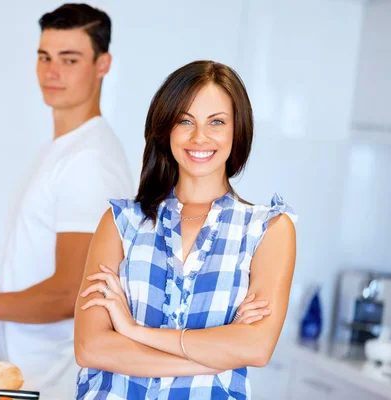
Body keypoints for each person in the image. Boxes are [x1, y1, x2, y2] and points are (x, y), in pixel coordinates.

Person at [0, 4, 134, 399]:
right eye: (44, 57)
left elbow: (71, 293)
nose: (52, 72)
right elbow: (40, 273)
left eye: (69, 60)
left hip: (52, 385)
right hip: (27, 380)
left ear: (102, 64)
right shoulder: (62, 151)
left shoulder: (90, 160)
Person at [74, 60, 297, 399]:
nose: (199, 137)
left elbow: (255, 347)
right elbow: (91, 348)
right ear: (166, 129)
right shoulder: (122, 222)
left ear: (238, 130)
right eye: (185, 121)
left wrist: (133, 330)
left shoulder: (267, 230)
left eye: (217, 122)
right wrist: (215, 355)